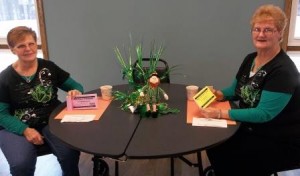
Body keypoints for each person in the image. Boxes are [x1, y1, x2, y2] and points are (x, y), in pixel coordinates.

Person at [199, 4, 300, 176]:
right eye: (257, 29)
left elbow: (263, 114)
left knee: (226, 152)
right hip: (251, 128)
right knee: (214, 144)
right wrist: (218, 95)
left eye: (268, 29)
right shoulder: (251, 59)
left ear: (280, 34)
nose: (261, 34)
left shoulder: (283, 71)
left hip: (279, 138)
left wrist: (219, 114)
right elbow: (235, 89)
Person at [0, 26, 84, 176]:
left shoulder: (49, 67)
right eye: (21, 46)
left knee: (69, 153)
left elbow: (76, 86)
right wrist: (25, 130)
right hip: (17, 124)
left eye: (31, 43)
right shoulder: (5, 78)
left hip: (51, 120)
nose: (28, 49)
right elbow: (2, 115)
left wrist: (76, 92)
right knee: (21, 164)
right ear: (12, 49)